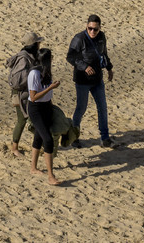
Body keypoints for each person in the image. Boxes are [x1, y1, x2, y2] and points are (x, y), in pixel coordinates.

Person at [67, 14, 114, 148]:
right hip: (82, 81)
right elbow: (70, 57)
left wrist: (109, 68)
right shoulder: (79, 38)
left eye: (95, 29)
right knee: (81, 108)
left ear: (99, 28)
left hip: (97, 80)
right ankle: (74, 137)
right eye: (90, 28)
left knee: (102, 108)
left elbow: (104, 53)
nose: (92, 31)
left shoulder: (102, 37)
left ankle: (105, 138)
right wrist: (84, 67)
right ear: (86, 26)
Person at [23, 39, 61, 185]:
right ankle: (51, 176)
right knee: (48, 139)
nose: (52, 60)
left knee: (38, 137)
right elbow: (33, 97)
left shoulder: (46, 71)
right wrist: (51, 88)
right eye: (51, 58)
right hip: (36, 109)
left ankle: (33, 168)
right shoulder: (34, 74)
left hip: (46, 107)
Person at [7, 33, 46, 157]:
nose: (39, 45)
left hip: (26, 93)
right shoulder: (23, 59)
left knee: (32, 119)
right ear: (33, 45)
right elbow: (19, 80)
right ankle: (14, 148)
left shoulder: (29, 56)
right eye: (37, 43)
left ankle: (40, 145)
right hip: (20, 95)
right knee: (22, 120)